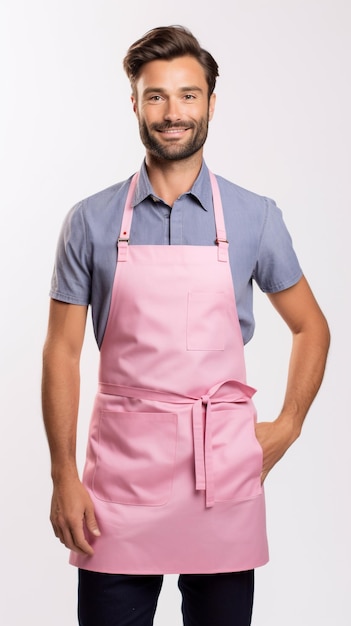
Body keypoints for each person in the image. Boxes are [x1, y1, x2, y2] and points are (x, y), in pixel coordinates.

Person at [41, 25, 330, 626]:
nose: (173, 113)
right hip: (118, 484)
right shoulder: (90, 222)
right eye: (156, 96)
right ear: (135, 104)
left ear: (211, 103)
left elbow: (311, 328)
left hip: (222, 473)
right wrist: (64, 474)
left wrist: (291, 425)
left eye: (188, 95)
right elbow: (62, 352)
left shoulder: (256, 216)